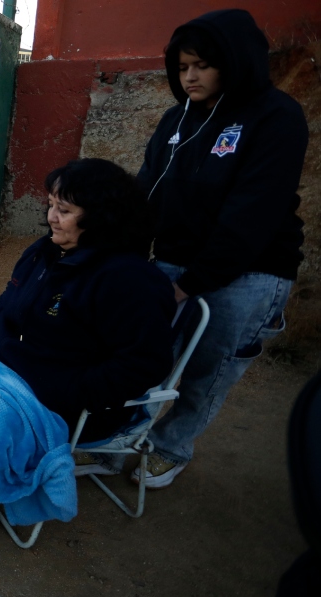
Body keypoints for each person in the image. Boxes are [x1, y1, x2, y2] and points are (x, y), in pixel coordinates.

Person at [0, 159, 176, 537]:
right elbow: (3, 312)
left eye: (65, 210)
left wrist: (64, 389)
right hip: (10, 374)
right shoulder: (44, 254)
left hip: (68, 402)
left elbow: (143, 366)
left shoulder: (131, 281)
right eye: (52, 205)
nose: (51, 217)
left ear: (101, 217)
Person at [132, 9, 310, 489]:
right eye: (182, 66)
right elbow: (146, 190)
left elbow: (251, 216)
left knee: (209, 367)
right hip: (173, 257)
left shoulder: (276, 117)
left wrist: (189, 284)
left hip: (249, 270)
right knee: (144, 356)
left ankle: (171, 446)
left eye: (202, 66)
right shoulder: (177, 118)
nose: (190, 76)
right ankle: (122, 438)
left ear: (234, 62)